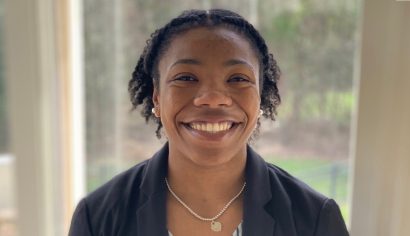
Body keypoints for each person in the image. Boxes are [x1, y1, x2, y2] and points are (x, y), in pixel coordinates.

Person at [69, 9, 349, 236]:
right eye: (186, 78)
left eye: (238, 79)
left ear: (260, 97)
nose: (213, 98)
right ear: (157, 97)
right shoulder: (98, 219)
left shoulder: (315, 220)